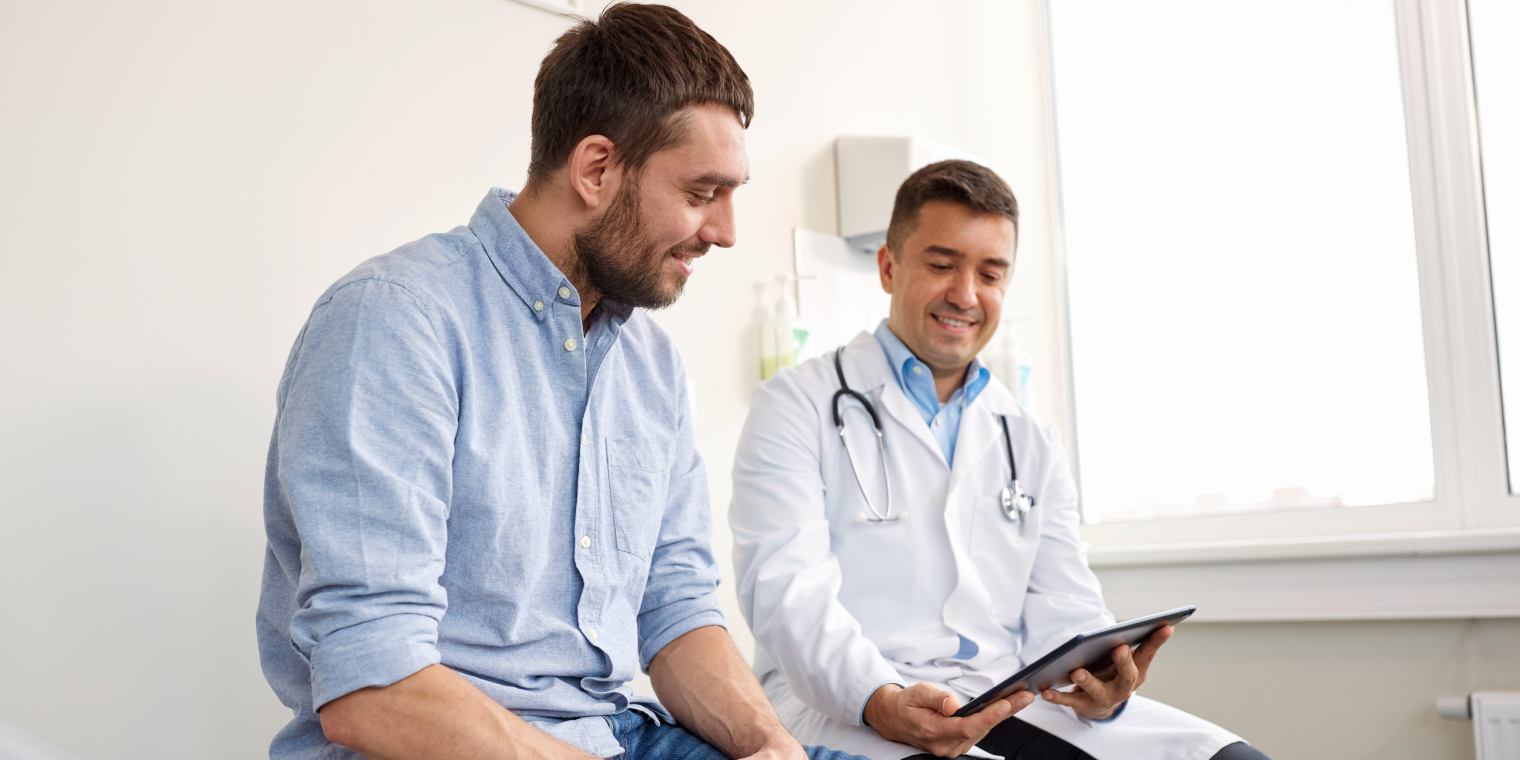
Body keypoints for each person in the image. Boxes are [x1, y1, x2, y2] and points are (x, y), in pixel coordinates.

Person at [256, 6, 867, 760]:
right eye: (703, 193)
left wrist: (773, 747)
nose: (726, 231)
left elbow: (672, 609)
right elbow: (372, 687)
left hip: (619, 735)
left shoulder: (650, 365)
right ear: (597, 169)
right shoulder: (395, 322)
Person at [729, 160, 1268, 760]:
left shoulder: (1029, 436)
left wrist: (1100, 683)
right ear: (888, 266)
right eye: (941, 265)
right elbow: (787, 596)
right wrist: (880, 698)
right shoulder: (794, 405)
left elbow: (1065, 605)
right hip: (844, 703)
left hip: (1009, 692)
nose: (965, 294)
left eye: (990, 273)